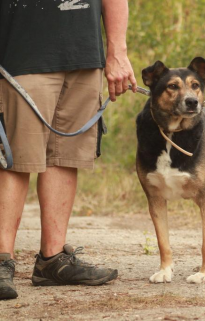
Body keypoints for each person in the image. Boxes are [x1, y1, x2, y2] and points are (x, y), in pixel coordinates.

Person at [0, 0, 137, 300]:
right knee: (13, 158)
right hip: (20, 53)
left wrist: (117, 52)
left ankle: (52, 260)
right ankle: (1, 259)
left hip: (84, 54)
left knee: (65, 155)